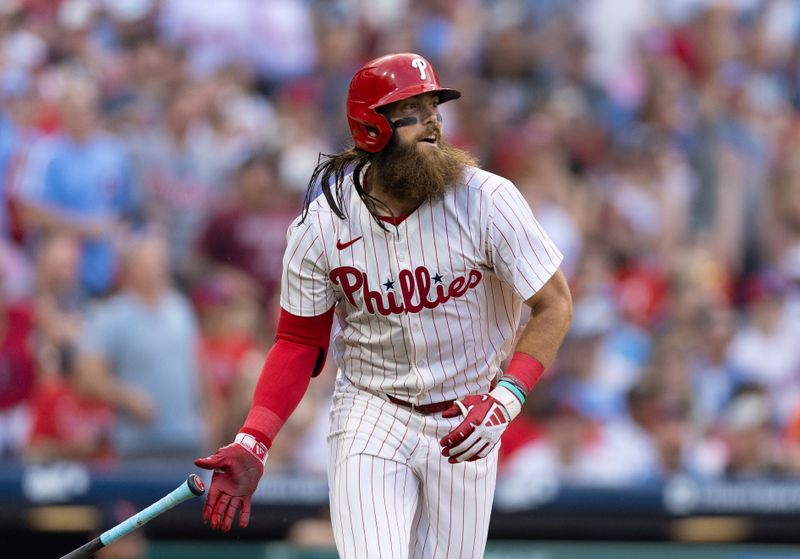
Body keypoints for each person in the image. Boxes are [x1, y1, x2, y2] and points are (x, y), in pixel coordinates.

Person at [195, 53, 573, 558]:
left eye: (434, 107)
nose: (433, 121)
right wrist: (254, 438)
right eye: (411, 111)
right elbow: (298, 341)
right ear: (371, 129)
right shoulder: (323, 226)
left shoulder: (487, 199)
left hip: (469, 418)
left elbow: (554, 304)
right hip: (374, 411)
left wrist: (507, 398)